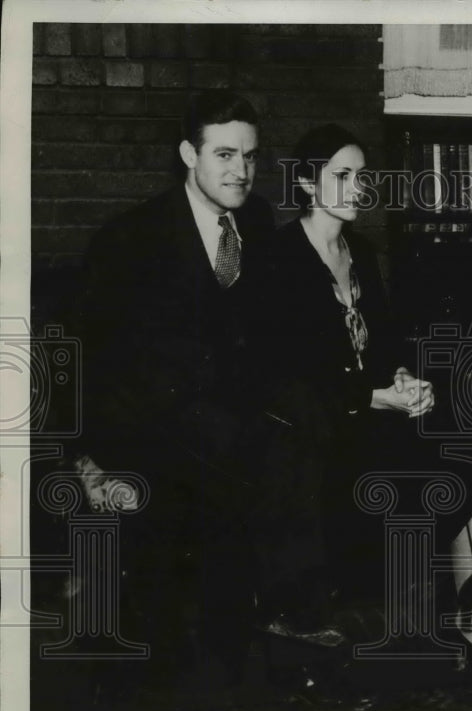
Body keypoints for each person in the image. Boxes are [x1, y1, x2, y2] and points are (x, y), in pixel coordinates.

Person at [245, 123, 472, 667]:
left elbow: (385, 344)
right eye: (342, 176)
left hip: (378, 410)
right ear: (308, 185)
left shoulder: (362, 250)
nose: (358, 187)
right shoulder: (278, 261)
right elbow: (294, 377)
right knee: (458, 448)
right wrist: (379, 396)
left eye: (361, 176)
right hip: (328, 432)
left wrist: (405, 377)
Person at [72, 90, 279, 680]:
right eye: (224, 155)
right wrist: (92, 462)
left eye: (251, 155)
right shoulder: (131, 239)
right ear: (189, 153)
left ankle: (239, 664)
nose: (240, 171)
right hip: (152, 429)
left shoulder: (258, 222)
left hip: (233, 426)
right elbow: (94, 355)